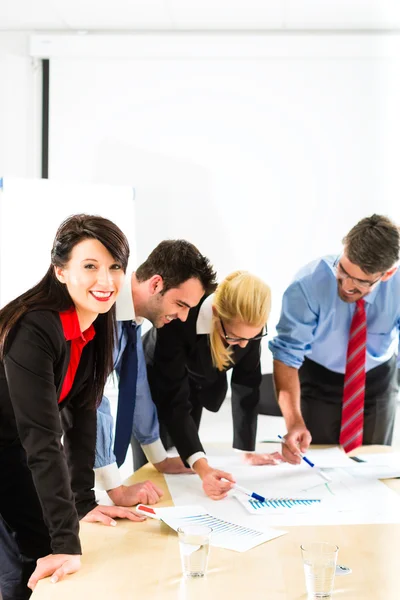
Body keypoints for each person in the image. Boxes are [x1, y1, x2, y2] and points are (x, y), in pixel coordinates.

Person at [0, 214, 146, 600]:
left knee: (45, 546)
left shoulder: (96, 324)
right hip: (15, 445)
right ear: (61, 271)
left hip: (12, 445)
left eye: (115, 267)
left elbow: (81, 418)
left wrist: (83, 503)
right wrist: (66, 541)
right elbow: (43, 439)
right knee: (21, 564)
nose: (106, 280)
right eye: (90, 266)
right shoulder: (34, 328)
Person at [95, 240, 218, 507]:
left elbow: (137, 389)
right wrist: (115, 487)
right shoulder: (100, 308)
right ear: (155, 285)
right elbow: (90, 400)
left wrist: (159, 458)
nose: (184, 318)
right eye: (181, 304)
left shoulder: (132, 321)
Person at [269, 214, 400, 464]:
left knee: (372, 465)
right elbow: (287, 355)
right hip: (319, 378)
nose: (347, 286)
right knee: (317, 465)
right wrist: (294, 422)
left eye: (361, 282)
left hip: (377, 380)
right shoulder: (307, 285)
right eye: (343, 270)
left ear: (387, 274)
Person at [143, 270, 282, 501]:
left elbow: (247, 383)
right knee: (157, 469)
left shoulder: (247, 327)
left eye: (252, 337)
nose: (244, 345)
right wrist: (203, 468)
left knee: (187, 462)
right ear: (217, 315)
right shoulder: (179, 318)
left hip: (198, 386)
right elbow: (174, 400)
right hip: (155, 386)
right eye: (236, 338)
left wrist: (246, 449)